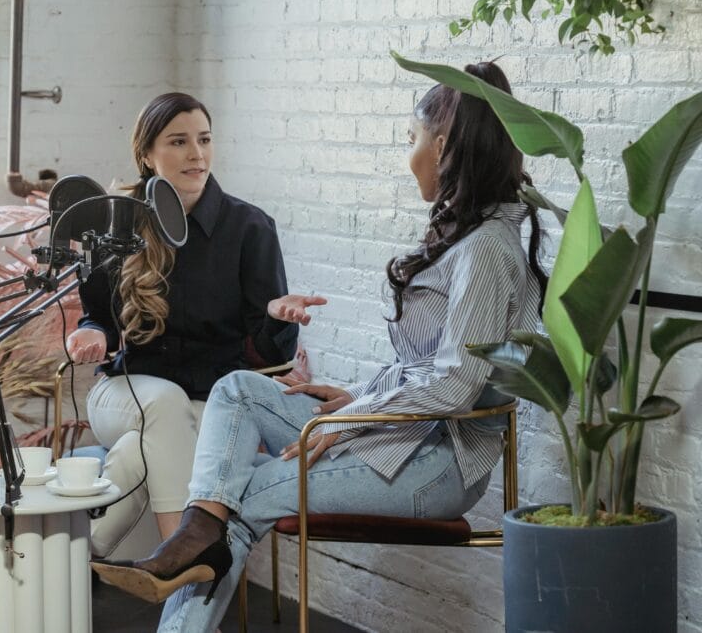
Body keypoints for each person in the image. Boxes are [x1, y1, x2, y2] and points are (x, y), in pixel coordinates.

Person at [91, 62, 549, 631]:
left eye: (412, 140)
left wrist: (348, 419)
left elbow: (455, 385)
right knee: (237, 392)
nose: (408, 157)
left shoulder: (483, 249)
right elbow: (426, 366)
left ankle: (188, 549)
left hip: (433, 464)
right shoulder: (469, 235)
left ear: (446, 144)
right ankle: (194, 535)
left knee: (243, 496)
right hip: (394, 433)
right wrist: (355, 394)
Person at [65, 92, 324, 557]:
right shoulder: (117, 225)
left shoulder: (250, 228)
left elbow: (273, 358)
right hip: (125, 392)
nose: (196, 154)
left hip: (212, 403)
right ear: (147, 154)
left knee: (142, 451)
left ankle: (82, 549)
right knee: (165, 407)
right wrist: (92, 333)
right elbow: (99, 319)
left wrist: (277, 318)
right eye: (179, 141)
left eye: (204, 140)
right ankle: (181, 562)